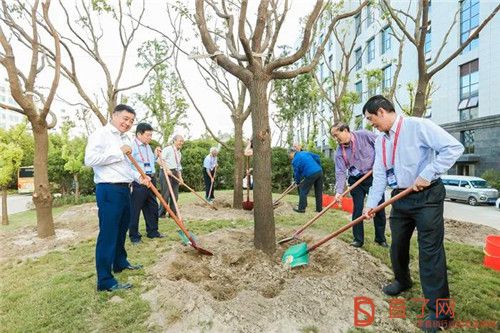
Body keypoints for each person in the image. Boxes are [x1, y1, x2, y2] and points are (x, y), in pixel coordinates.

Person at [362, 95, 464, 332]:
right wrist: (371, 204)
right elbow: (379, 175)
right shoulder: (380, 141)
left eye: (371, 119)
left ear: (381, 112)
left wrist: (429, 172)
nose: (371, 124)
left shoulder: (418, 126)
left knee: (430, 250)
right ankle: (402, 280)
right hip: (401, 197)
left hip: (427, 195)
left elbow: (453, 147)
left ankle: (440, 313)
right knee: (397, 243)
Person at [84, 104, 147, 292]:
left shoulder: (125, 138)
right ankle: (105, 280)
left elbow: (127, 166)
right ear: (114, 116)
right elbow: (90, 160)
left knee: (121, 230)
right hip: (108, 190)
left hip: (125, 189)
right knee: (108, 234)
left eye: (131, 121)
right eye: (125, 119)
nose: (128, 123)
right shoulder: (100, 135)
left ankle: (119, 262)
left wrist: (140, 178)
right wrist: (119, 152)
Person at [331, 122, 387, 248]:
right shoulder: (340, 152)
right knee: (357, 209)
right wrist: (339, 191)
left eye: (336, 135)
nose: (335, 139)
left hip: (372, 177)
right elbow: (340, 172)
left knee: (379, 208)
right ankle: (358, 239)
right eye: (333, 137)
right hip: (355, 180)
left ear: (345, 130)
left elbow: (381, 144)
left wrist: (380, 163)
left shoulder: (364, 135)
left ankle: (380, 239)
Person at [128, 123, 165, 244]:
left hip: (151, 179)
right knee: (135, 208)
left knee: (152, 206)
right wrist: (140, 177)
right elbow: (128, 166)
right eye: (148, 135)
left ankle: (153, 232)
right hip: (140, 181)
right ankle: (134, 236)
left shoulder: (148, 146)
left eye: (151, 135)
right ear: (139, 134)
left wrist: (156, 154)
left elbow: (150, 161)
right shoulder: (131, 146)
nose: (150, 137)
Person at [288, 147, 323, 213]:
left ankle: (301, 209)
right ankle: (319, 209)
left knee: (303, 190)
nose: (290, 157)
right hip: (319, 171)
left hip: (311, 173)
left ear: (291, 153)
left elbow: (297, 173)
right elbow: (317, 157)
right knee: (318, 191)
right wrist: (318, 166)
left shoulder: (295, 160)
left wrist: (297, 182)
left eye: (289, 155)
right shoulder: (305, 152)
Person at [158, 134, 184, 218]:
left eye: (182, 141)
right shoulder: (167, 149)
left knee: (175, 195)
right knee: (165, 194)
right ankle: (161, 214)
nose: (181, 143)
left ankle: (172, 214)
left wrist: (180, 178)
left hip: (175, 172)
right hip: (166, 172)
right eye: (180, 141)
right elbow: (159, 161)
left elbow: (178, 167)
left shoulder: (179, 153)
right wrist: (167, 169)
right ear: (174, 141)